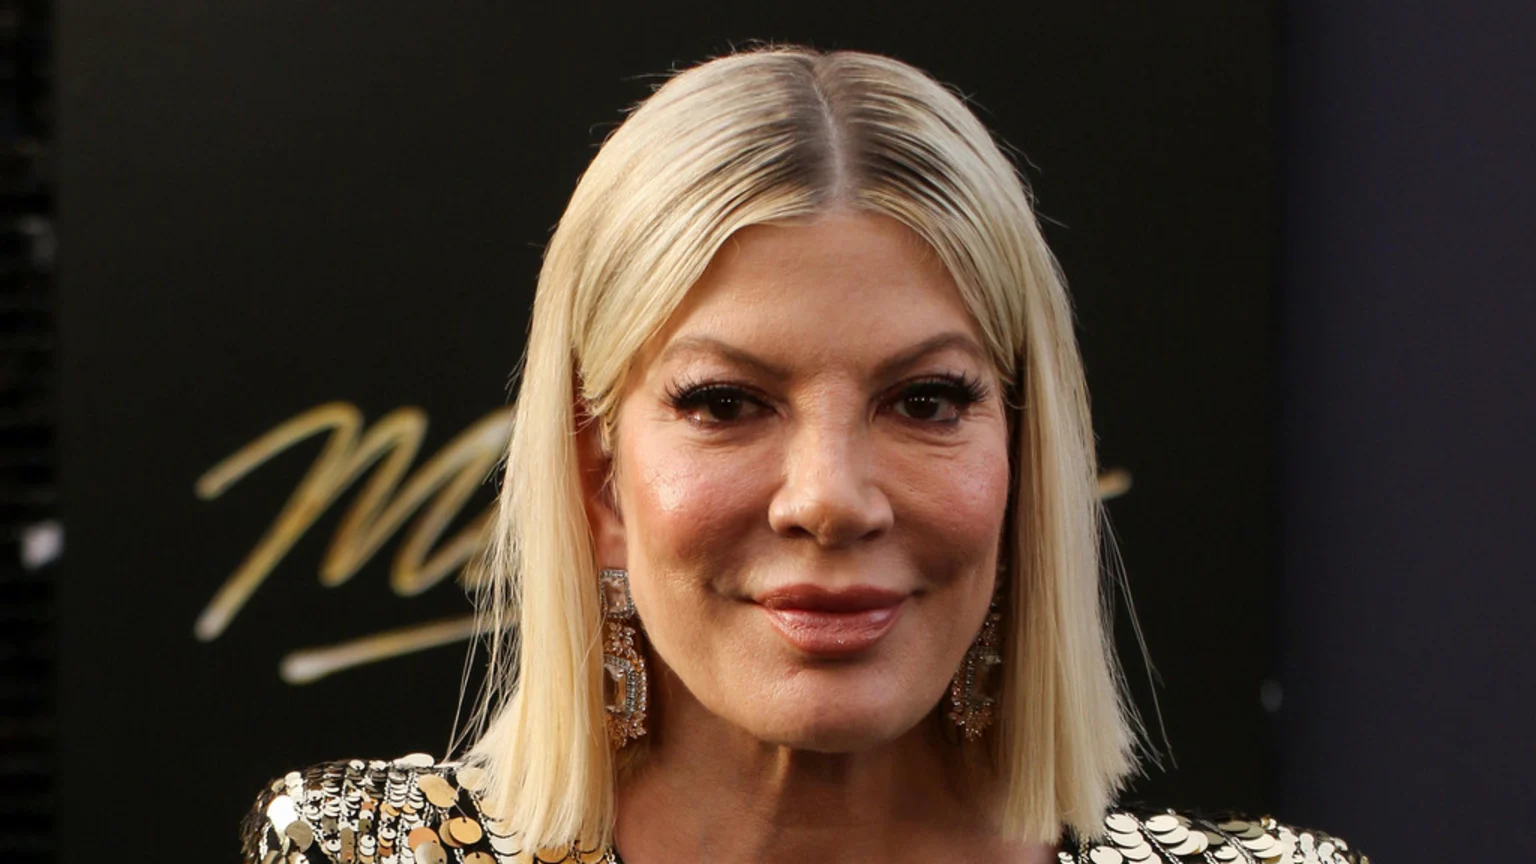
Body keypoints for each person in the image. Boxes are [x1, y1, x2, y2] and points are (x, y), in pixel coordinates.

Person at [241, 46, 1365, 864]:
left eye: (926, 400)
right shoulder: (366, 854)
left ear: (1024, 464)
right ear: (598, 480)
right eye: (726, 403)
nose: (830, 500)